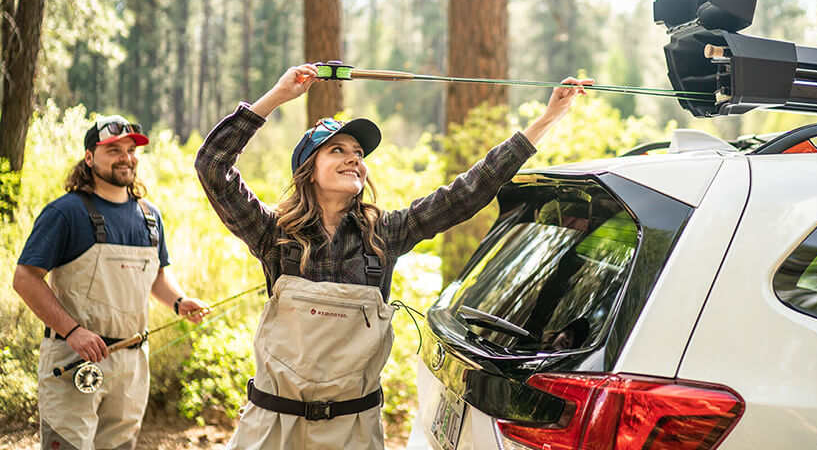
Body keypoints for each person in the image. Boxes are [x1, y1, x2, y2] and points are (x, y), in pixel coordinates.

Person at [194, 64, 593, 450]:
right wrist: (280, 96)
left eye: (358, 153)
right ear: (308, 170)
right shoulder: (274, 234)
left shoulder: (385, 234)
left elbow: (467, 192)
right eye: (338, 150)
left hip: (353, 430)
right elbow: (213, 166)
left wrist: (547, 120)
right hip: (272, 426)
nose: (354, 158)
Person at [12, 114, 209, 450]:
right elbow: (25, 279)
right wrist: (73, 332)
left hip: (132, 364)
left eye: (131, 150)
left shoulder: (150, 216)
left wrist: (178, 301)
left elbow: (157, 274)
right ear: (89, 158)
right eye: (113, 149)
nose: (126, 157)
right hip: (74, 361)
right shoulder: (66, 212)